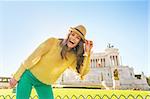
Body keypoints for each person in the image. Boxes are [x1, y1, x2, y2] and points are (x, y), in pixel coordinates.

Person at [9, 25, 93, 99]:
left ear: (79, 42)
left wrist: (87, 53)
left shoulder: (73, 57)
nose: (73, 38)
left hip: (45, 84)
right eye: (73, 34)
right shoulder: (52, 41)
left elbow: (82, 72)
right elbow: (31, 58)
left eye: (77, 38)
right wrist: (16, 77)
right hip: (28, 77)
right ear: (69, 34)